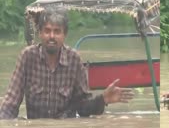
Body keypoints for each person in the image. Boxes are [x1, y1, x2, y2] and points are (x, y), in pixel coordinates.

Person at [0, 7, 134, 119]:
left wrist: (102, 100)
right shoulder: (28, 57)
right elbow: (11, 103)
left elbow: (82, 107)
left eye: (57, 31)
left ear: (64, 35)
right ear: (40, 33)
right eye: (47, 31)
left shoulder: (73, 59)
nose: (51, 36)